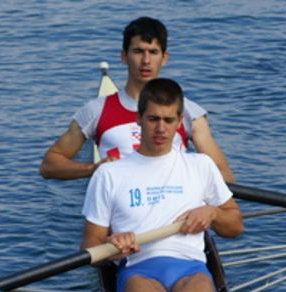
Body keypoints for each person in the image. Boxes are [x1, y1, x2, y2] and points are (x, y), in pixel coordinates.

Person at [80, 78, 243, 292]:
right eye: (153, 119)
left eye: (169, 120)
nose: (160, 128)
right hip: (139, 271)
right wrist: (112, 247)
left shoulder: (201, 166)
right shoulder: (110, 174)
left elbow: (235, 226)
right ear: (138, 119)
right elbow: (89, 247)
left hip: (191, 268)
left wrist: (212, 212)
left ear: (180, 122)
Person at [40, 16, 234, 183]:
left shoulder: (190, 112)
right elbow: (49, 165)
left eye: (153, 52)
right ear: (124, 57)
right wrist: (93, 169)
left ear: (164, 58)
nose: (146, 61)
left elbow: (223, 175)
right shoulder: (96, 111)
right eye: (138, 52)